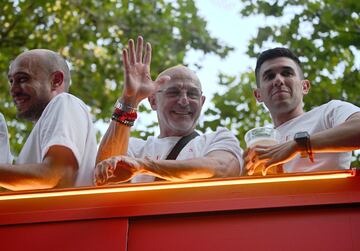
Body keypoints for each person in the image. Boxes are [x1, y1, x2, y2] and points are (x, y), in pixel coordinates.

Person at [95, 36, 242, 185]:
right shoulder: (134, 148)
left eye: (192, 94)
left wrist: (144, 167)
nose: (184, 100)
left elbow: (224, 169)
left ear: (202, 102)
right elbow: (105, 177)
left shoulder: (218, 139)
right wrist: (129, 99)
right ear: (153, 101)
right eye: (174, 92)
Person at [244, 47, 360, 175]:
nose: (278, 80)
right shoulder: (260, 143)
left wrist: (298, 145)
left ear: (304, 86)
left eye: (287, 73)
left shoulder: (329, 112)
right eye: (269, 76)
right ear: (258, 95)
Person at [0, 49, 97, 190]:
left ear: (55, 80)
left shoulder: (65, 102)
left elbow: (56, 176)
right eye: (11, 81)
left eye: (22, 79)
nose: (13, 90)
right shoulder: (32, 148)